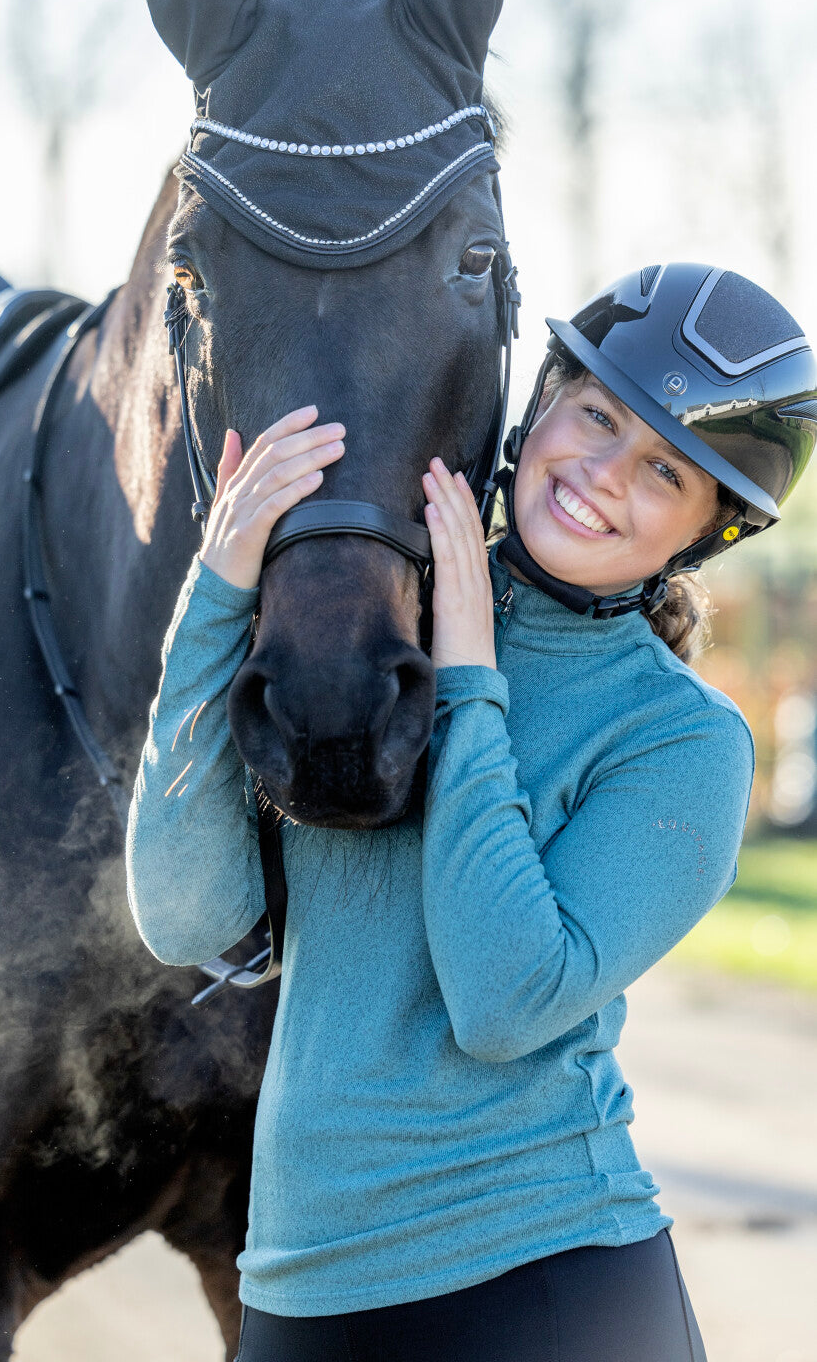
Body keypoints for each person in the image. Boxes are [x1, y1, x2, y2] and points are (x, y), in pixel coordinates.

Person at [125, 262, 817, 1362]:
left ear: (702, 531)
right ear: (539, 397)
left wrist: (467, 677)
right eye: (593, 413)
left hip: (542, 1287)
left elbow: (501, 1000)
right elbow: (185, 910)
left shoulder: (683, 738)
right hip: (300, 1286)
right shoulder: (364, 622)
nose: (599, 472)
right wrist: (218, 590)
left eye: (661, 470)